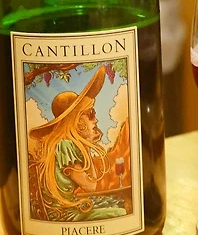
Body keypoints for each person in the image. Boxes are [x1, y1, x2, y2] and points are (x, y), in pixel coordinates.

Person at [27, 65, 129, 221]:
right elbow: (90, 186)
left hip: (69, 208)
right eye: (91, 114)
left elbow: (90, 182)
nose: (95, 120)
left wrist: (87, 144)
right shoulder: (65, 146)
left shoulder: (63, 144)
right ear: (77, 120)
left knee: (117, 203)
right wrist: (88, 145)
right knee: (121, 210)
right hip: (66, 214)